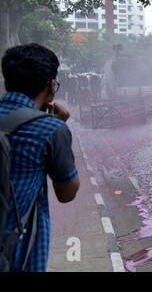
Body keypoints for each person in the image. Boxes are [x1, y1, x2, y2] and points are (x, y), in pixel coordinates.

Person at [0, 43, 80, 271]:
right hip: (18, 256)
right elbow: (67, 192)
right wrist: (57, 127)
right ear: (50, 85)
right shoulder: (49, 129)